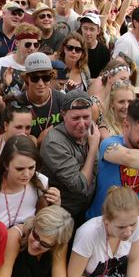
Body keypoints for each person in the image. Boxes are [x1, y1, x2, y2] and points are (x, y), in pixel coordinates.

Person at [39, 91, 99, 227]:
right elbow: (80, 186)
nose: (82, 124)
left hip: (87, 210)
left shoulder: (91, 132)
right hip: (62, 215)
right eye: (76, 118)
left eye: (86, 117)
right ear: (63, 115)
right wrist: (93, 149)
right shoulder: (54, 142)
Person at [0, 135, 60, 227]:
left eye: (31, 167)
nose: (26, 174)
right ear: (6, 165)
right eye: (19, 169)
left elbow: (47, 224)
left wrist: (56, 206)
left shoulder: (42, 181)